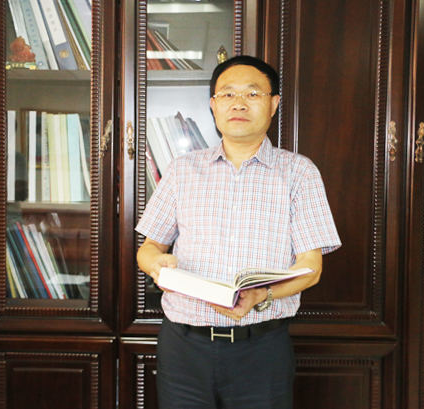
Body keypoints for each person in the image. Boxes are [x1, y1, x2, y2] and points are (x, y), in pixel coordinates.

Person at [135, 55, 342, 409]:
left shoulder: (299, 173)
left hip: (261, 350)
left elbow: (311, 267)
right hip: (183, 349)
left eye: (253, 94)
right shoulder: (183, 170)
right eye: (228, 94)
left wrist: (262, 295)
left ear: (273, 104)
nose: (239, 103)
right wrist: (157, 263)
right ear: (213, 105)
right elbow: (148, 247)